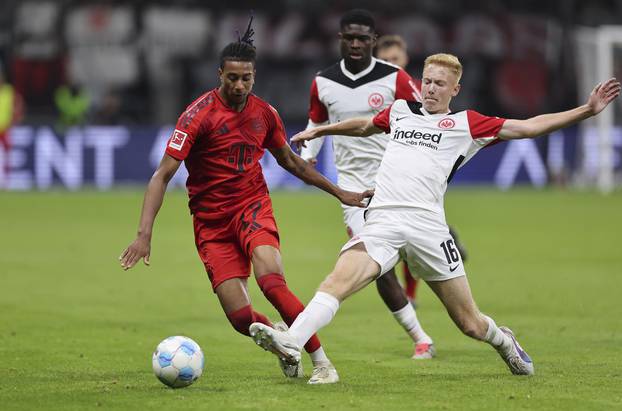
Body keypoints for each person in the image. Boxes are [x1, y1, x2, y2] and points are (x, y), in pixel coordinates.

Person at [249, 53, 620, 378]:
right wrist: (321, 129)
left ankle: (504, 342)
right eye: (426, 81)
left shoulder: (467, 124)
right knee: (336, 282)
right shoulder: (400, 111)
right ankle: (292, 341)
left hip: (428, 228)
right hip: (384, 221)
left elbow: (528, 127)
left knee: (469, 324)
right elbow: (363, 124)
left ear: (454, 89)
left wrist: (586, 110)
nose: (430, 89)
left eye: (440, 84)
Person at [118, 19, 372, 384]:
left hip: (252, 207)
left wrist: (341, 193)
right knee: (241, 320)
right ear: (219, 74)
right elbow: (162, 175)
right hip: (211, 223)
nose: (239, 85)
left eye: (246, 78)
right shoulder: (196, 116)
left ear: (254, 77)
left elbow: (292, 162)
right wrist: (144, 234)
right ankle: (280, 338)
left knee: (272, 282)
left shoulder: (264, 114)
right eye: (232, 78)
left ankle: (322, 363)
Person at [299, 9, 435, 360]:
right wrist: (309, 153)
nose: (356, 43)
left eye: (363, 38)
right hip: (353, 189)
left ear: (373, 41)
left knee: (421, 260)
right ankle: (420, 337)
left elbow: (426, 119)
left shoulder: (396, 78)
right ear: (340, 39)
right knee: (375, 264)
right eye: (350, 37)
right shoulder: (323, 82)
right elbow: (317, 120)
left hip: (398, 180)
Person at [375, 34, 469, 305]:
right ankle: (447, 238)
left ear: (405, 59)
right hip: (384, 164)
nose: (391, 65)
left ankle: (412, 295)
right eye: (384, 61)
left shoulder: (416, 90)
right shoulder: (375, 89)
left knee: (408, 230)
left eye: (395, 59)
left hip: (413, 166)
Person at [0, 69, 24, 189]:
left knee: (6, 155)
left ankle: (5, 181)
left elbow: (18, 102)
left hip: (4, 128)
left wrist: (17, 116)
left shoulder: (9, 91)